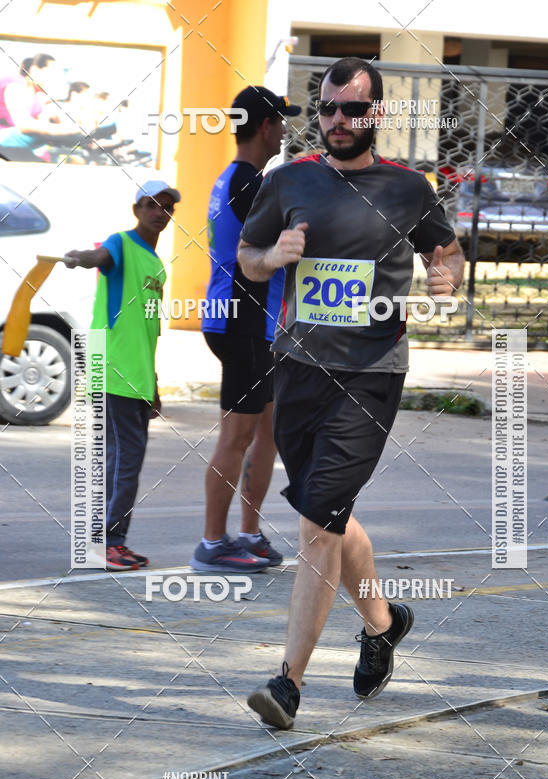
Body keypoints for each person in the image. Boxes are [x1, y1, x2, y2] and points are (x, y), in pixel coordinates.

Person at [239, 57, 465, 729]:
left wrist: (445, 277)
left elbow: (447, 251)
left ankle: (287, 684)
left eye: (353, 110)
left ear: (378, 115)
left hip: (372, 373)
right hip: (299, 369)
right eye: (329, 109)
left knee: (316, 524)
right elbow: (248, 259)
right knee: (327, 514)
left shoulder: (408, 189)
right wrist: (272, 256)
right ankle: (383, 622)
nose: (339, 121)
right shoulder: (288, 181)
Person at [190, 87, 301, 573]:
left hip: (254, 322)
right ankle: (212, 544)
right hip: (243, 320)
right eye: (281, 121)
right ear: (264, 126)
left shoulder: (237, 178)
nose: (284, 131)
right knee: (236, 437)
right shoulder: (250, 184)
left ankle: (250, 532)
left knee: (267, 431)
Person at [65, 179, 181, 570]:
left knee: (120, 461)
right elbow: (101, 259)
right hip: (112, 368)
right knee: (124, 464)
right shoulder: (121, 244)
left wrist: (154, 383)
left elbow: (149, 331)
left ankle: (108, 541)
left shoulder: (156, 266)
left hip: (136, 375)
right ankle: (107, 542)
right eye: (151, 205)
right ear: (137, 210)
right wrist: (81, 256)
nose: (158, 212)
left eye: (166, 207)